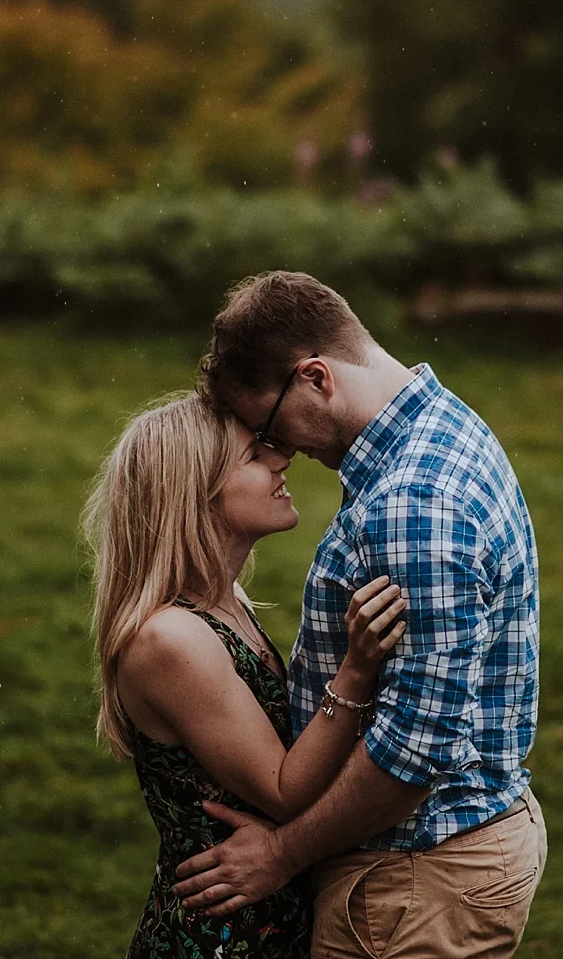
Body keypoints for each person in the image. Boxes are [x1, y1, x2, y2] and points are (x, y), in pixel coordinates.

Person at [179, 271, 545, 959]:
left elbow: (419, 747)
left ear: (316, 376)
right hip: (437, 862)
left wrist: (283, 853)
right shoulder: (441, 424)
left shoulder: (414, 503)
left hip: (412, 878)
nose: (279, 451)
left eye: (266, 426)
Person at [87, 391, 409, 959]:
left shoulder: (223, 603)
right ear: (196, 493)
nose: (281, 459)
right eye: (254, 455)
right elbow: (285, 791)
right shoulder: (171, 640)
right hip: (221, 934)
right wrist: (357, 671)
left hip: (264, 913)